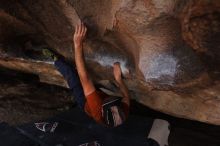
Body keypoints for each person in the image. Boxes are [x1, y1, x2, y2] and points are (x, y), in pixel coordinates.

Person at [43, 22, 130, 127]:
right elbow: (126, 96)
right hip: (100, 96)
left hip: (84, 102)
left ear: (102, 110)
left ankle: (56, 60)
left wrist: (78, 44)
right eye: (115, 104)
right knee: (93, 87)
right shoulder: (123, 113)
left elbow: (84, 78)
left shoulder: (96, 109)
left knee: (72, 76)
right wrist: (118, 79)